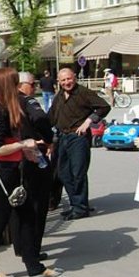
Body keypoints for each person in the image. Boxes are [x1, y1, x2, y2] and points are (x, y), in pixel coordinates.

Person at [0, 67, 61, 277]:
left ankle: (33, 267)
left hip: (10, 168)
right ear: (7, 85)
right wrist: (23, 143)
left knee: (26, 216)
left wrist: (26, 148)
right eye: (14, 82)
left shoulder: (3, 107)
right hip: (2, 171)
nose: (18, 86)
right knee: (0, 220)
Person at [48, 68, 111, 220]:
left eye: (69, 79)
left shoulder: (83, 92)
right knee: (63, 173)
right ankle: (75, 204)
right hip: (62, 137)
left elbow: (104, 107)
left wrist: (89, 121)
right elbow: (51, 116)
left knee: (78, 173)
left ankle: (81, 208)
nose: (66, 83)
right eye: (63, 80)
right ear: (59, 81)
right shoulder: (59, 96)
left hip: (78, 137)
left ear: (74, 78)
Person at [16, 72, 53, 260]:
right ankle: (33, 250)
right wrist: (48, 139)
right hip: (31, 153)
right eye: (33, 84)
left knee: (17, 202)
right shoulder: (28, 101)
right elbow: (40, 118)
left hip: (11, 156)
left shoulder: (3, 102)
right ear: (23, 85)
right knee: (38, 203)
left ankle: (20, 246)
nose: (35, 88)